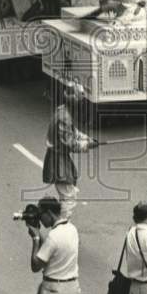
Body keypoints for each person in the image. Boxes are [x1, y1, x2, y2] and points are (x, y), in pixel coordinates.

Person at [26, 195, 80, 294]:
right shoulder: (72, 229)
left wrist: (35, 238)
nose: (41, 220)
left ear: (49, 213)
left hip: (52, 293)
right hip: (72, 291)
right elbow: (53, 249)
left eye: (42, 215)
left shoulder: (53, 237)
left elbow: (36, 265)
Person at [42, 82, 99, 219]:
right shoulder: (65, 117)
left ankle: (62, 223)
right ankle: (63, 225)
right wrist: (86, 145)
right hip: (58, 158)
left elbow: (73, 132)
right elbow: (69, 143)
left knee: (68, 194)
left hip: (59, 156)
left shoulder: (63, 110)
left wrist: (87, 138)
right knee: (68, 196)